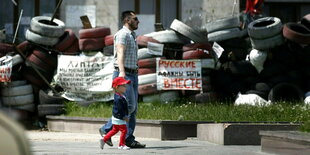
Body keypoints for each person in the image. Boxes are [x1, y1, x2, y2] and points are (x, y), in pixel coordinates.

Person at [99, 10, 146, 148]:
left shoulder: (132, 35)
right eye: (135, 19)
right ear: (127, 20)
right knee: (129, 107)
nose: (138, 21)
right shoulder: (122, 34)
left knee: (133, 108)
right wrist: (122, 72)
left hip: (133, 74)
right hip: (124, 75)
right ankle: (108, 129)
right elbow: (120, 53)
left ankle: (128, 138)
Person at [99, 77, 131, 150]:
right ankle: (121, 145)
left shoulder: (120, 96)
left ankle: (104, 139)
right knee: (124, 130)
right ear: (117, 87)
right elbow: (120, 110)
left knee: (114, 130)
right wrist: (124, 117)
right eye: (123, 86)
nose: (125, 87)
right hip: (119, 117)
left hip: (117, 117)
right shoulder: (119, 98)